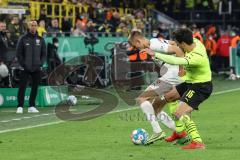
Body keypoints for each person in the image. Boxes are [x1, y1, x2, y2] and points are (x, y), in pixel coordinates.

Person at [142, 28, 212, 149]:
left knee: (179, 112)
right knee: (162, 100)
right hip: (189, 82)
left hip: (200, 86)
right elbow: (175, 46)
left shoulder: (197, 56)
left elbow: (176, 60)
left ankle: (197, 141)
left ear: (183, 43)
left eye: (179, 45)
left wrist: (155, 54)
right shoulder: (194, 41)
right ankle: (179, 133)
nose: (178, 48)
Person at [128, 30, 188, 145]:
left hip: (173, 75)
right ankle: (180, 133)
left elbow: (178, 50)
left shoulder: (154, 45)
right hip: (172, 74)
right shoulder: (155, 41)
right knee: (156, 107)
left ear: (138, 40)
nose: (138, 49)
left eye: (136, 46)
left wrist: (181, 68)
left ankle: (157, 131)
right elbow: (174, 44)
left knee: (142, 99)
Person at [16, 20, 46, 113]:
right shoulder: (23, 39)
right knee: (22, 87)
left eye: (35, 25)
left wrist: (40, 64)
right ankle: (20, 106)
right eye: (32, 25)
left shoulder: (41, 39)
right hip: (25, 67)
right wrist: (23, 64)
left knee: (35, 87)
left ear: (37, 27)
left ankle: (31, 106)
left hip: (36, 67)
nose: (33, 27)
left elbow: (44, 54)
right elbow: (19, 53)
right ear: (28, 27)